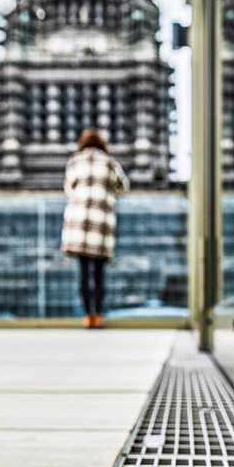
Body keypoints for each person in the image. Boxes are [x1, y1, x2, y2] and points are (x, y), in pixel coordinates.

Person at [61, 128, 129, 328]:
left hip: (79, 222)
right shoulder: (109, 162)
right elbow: (122, 187)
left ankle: (87, 316)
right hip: (101, 223)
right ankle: (98, 315)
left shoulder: (74, 161)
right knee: (99, 273)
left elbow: (68, 188)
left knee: (83, 272)